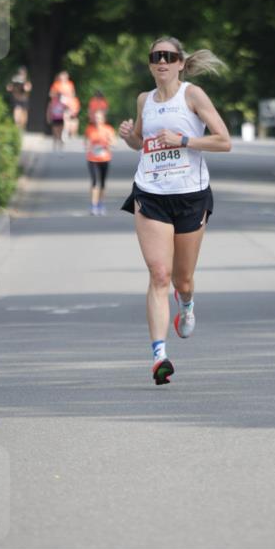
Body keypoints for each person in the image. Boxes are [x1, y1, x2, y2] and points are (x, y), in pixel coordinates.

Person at [119, 36, 231, 385]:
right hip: (151, 192)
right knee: (159, 275)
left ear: (181, 62)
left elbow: (224, 141)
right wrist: (129, 136)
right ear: (150, 63)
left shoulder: (192, 96)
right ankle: (159, 356)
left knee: (182, 280)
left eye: (169, 56)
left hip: (190, 195)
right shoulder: (145, 100)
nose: (162, 62)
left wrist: (183, 140)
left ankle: (187, 303)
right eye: (156, 56)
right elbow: (141, 142)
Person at [84, 109, 116, 215]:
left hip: (104, 158)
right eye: (96, 118)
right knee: (94, 182)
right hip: (92, 159)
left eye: (99, 118)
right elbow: (86, 143)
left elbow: (113, 143)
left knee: (102, 183)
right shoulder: (89, 129)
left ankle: (101, 204)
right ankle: (93, 205)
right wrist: (89, 146)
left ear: (103, 119)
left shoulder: (108, 129)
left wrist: (109, 144)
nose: (97, 120)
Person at [5, 67, 32, 131]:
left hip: (24, 100)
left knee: (24, 117)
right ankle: (17, 128)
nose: (21, 74)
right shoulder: (15, 80)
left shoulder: (26, 81)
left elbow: (28, 89)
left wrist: (24, 84)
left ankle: (21, 128)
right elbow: (8, 88)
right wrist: (14, 85)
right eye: (20, 73)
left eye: (23, 73)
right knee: (17, 112)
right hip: (17, 100)